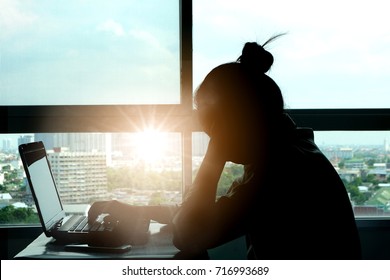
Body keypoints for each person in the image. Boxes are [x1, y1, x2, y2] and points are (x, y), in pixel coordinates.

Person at [88, 36, 362, 259]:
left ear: (234, 123)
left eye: (213, 131)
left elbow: (189, 235)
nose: (213, 139)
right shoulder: (288, 151)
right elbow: (210, 213)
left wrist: (213, 156)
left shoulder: (279, 171)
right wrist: (141, 211)